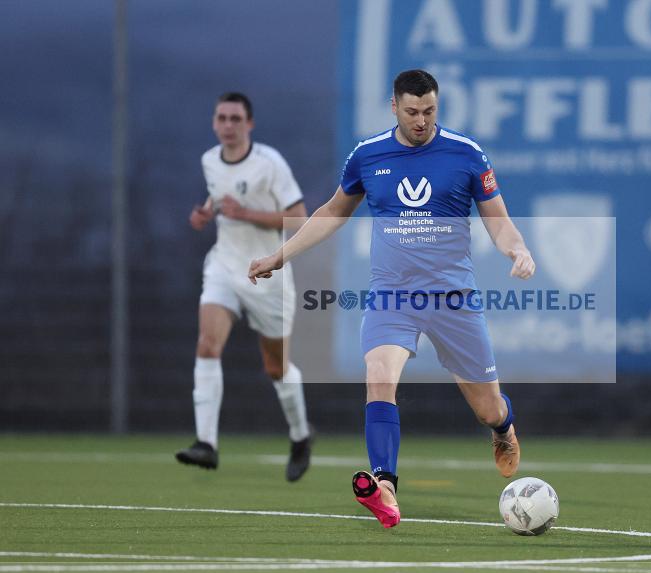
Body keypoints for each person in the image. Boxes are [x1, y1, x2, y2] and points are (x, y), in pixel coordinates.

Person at [248, 70, 535, 528]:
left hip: (452, 298)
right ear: (394, 107)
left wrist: (517, 249)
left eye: (430, 111)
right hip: (391, 296)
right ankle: (385, 486)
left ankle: (503, 428)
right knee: (378, 376)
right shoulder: (368, 154)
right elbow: (331, 212)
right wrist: (281, 254)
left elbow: (498, 220)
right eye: (412, 111)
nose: (421, 121)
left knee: (487, 407)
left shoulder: (465, 153)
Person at [176, 92, 313, 482]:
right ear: (214, 123)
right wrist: (206, 212)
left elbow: (300, 218)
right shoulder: (209, 160)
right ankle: (206, 443)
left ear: (249, 124)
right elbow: (221, 198)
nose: (228, 125)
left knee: (276, 366)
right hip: (224, 267)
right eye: (221, 118)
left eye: (236, 118)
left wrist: (247, 213)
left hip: (269, 275)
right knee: (207, 343)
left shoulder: (269, 164)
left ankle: (301, 436)